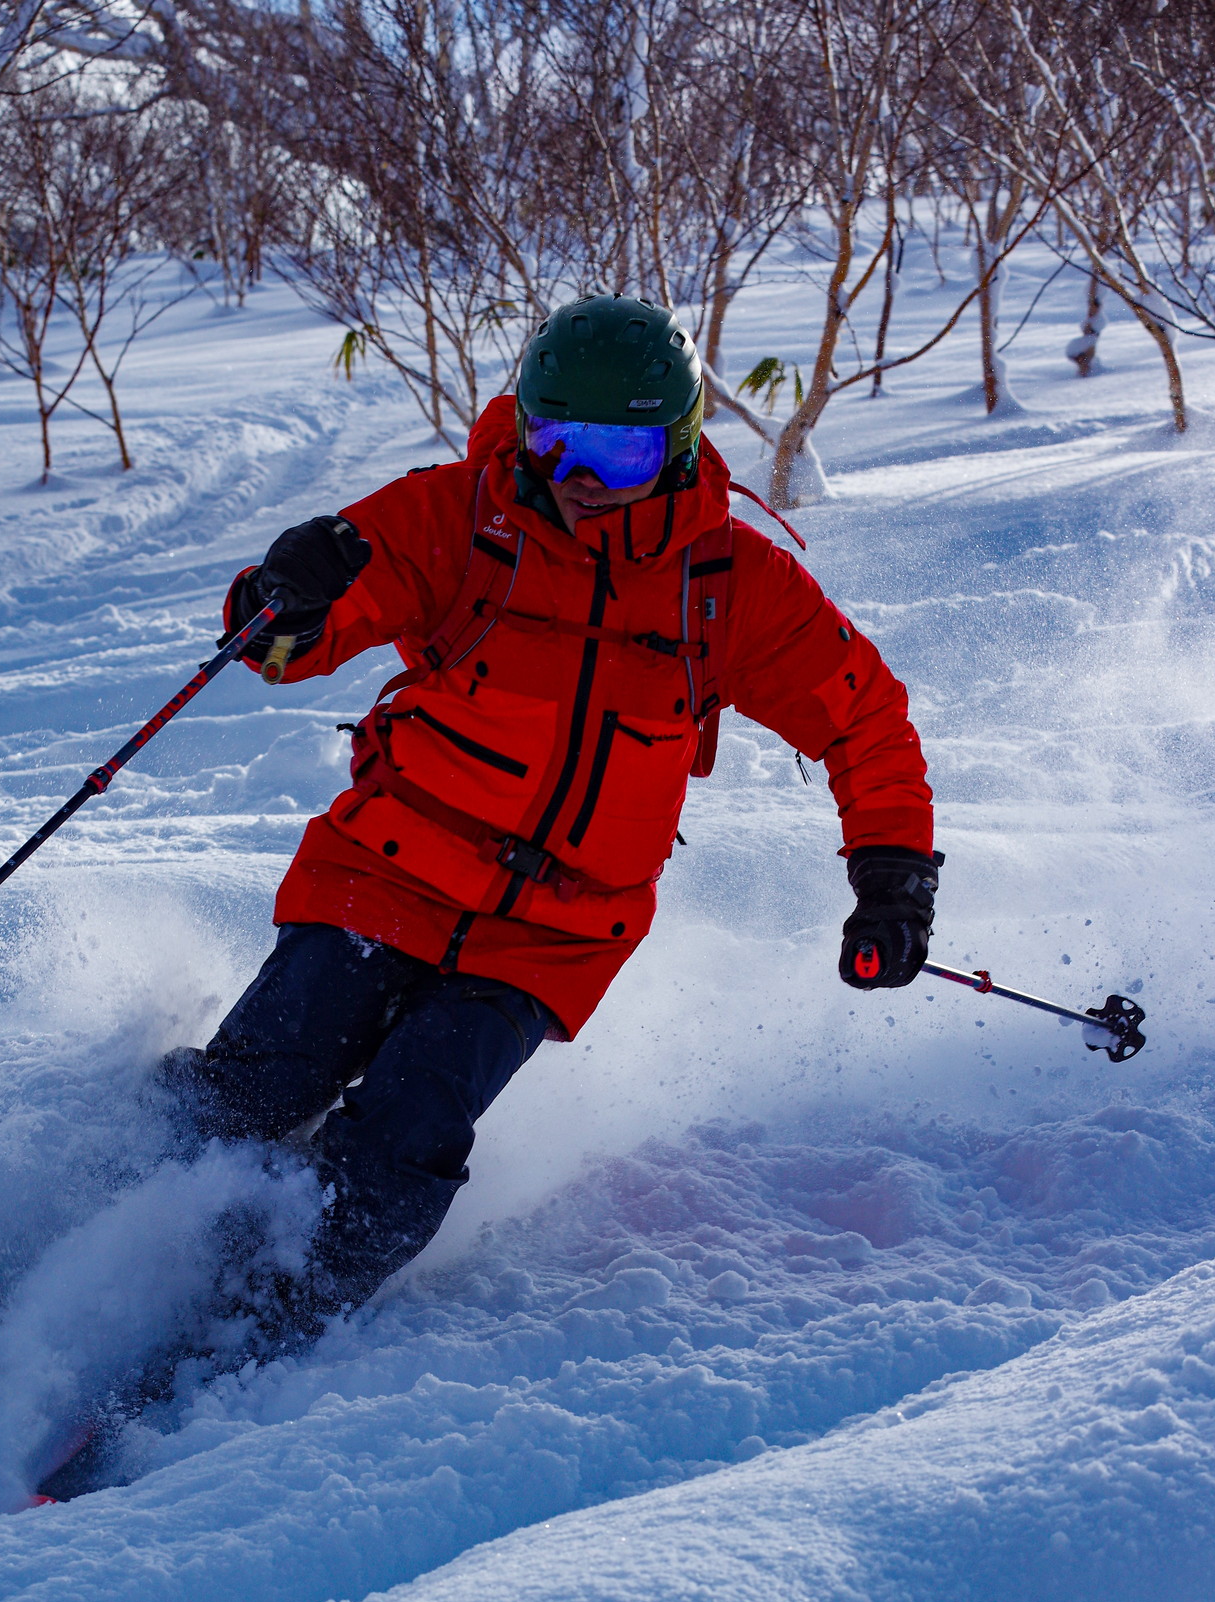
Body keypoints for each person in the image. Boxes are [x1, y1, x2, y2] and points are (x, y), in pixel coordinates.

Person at [159, 294, 938, 1350]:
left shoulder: (727, 587)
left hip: (553, 929)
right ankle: (107, 1221)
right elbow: (283, 642)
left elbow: (864, 717)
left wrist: (891, 874)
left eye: (613, 453)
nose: (575, 477)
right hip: (386, 868)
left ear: (676, 443)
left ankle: (258, 1325)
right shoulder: (456, 516)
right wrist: (284, 593)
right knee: (261, 1080)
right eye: (551, 436)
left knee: (405, 1133)